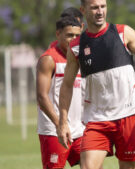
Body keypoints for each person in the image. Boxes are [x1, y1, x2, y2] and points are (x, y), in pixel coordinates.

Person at [57, 0, 135, 169]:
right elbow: (66, 85)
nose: (100, 11)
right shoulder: (76, 46)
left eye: (103, 6)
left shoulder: (123, 32)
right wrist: (63, 122)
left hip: (128, 115)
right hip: (97, 119)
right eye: (95, 7)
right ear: (83, 10)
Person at [36, 16, 84, 169]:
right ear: (58, 34)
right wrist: (60, 125)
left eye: (77, 35)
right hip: (54, 130)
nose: (74, 39)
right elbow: (41, 97)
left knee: (93, 165)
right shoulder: (49, 59)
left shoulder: (80, 58)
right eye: (69, 35)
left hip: (80, 130)